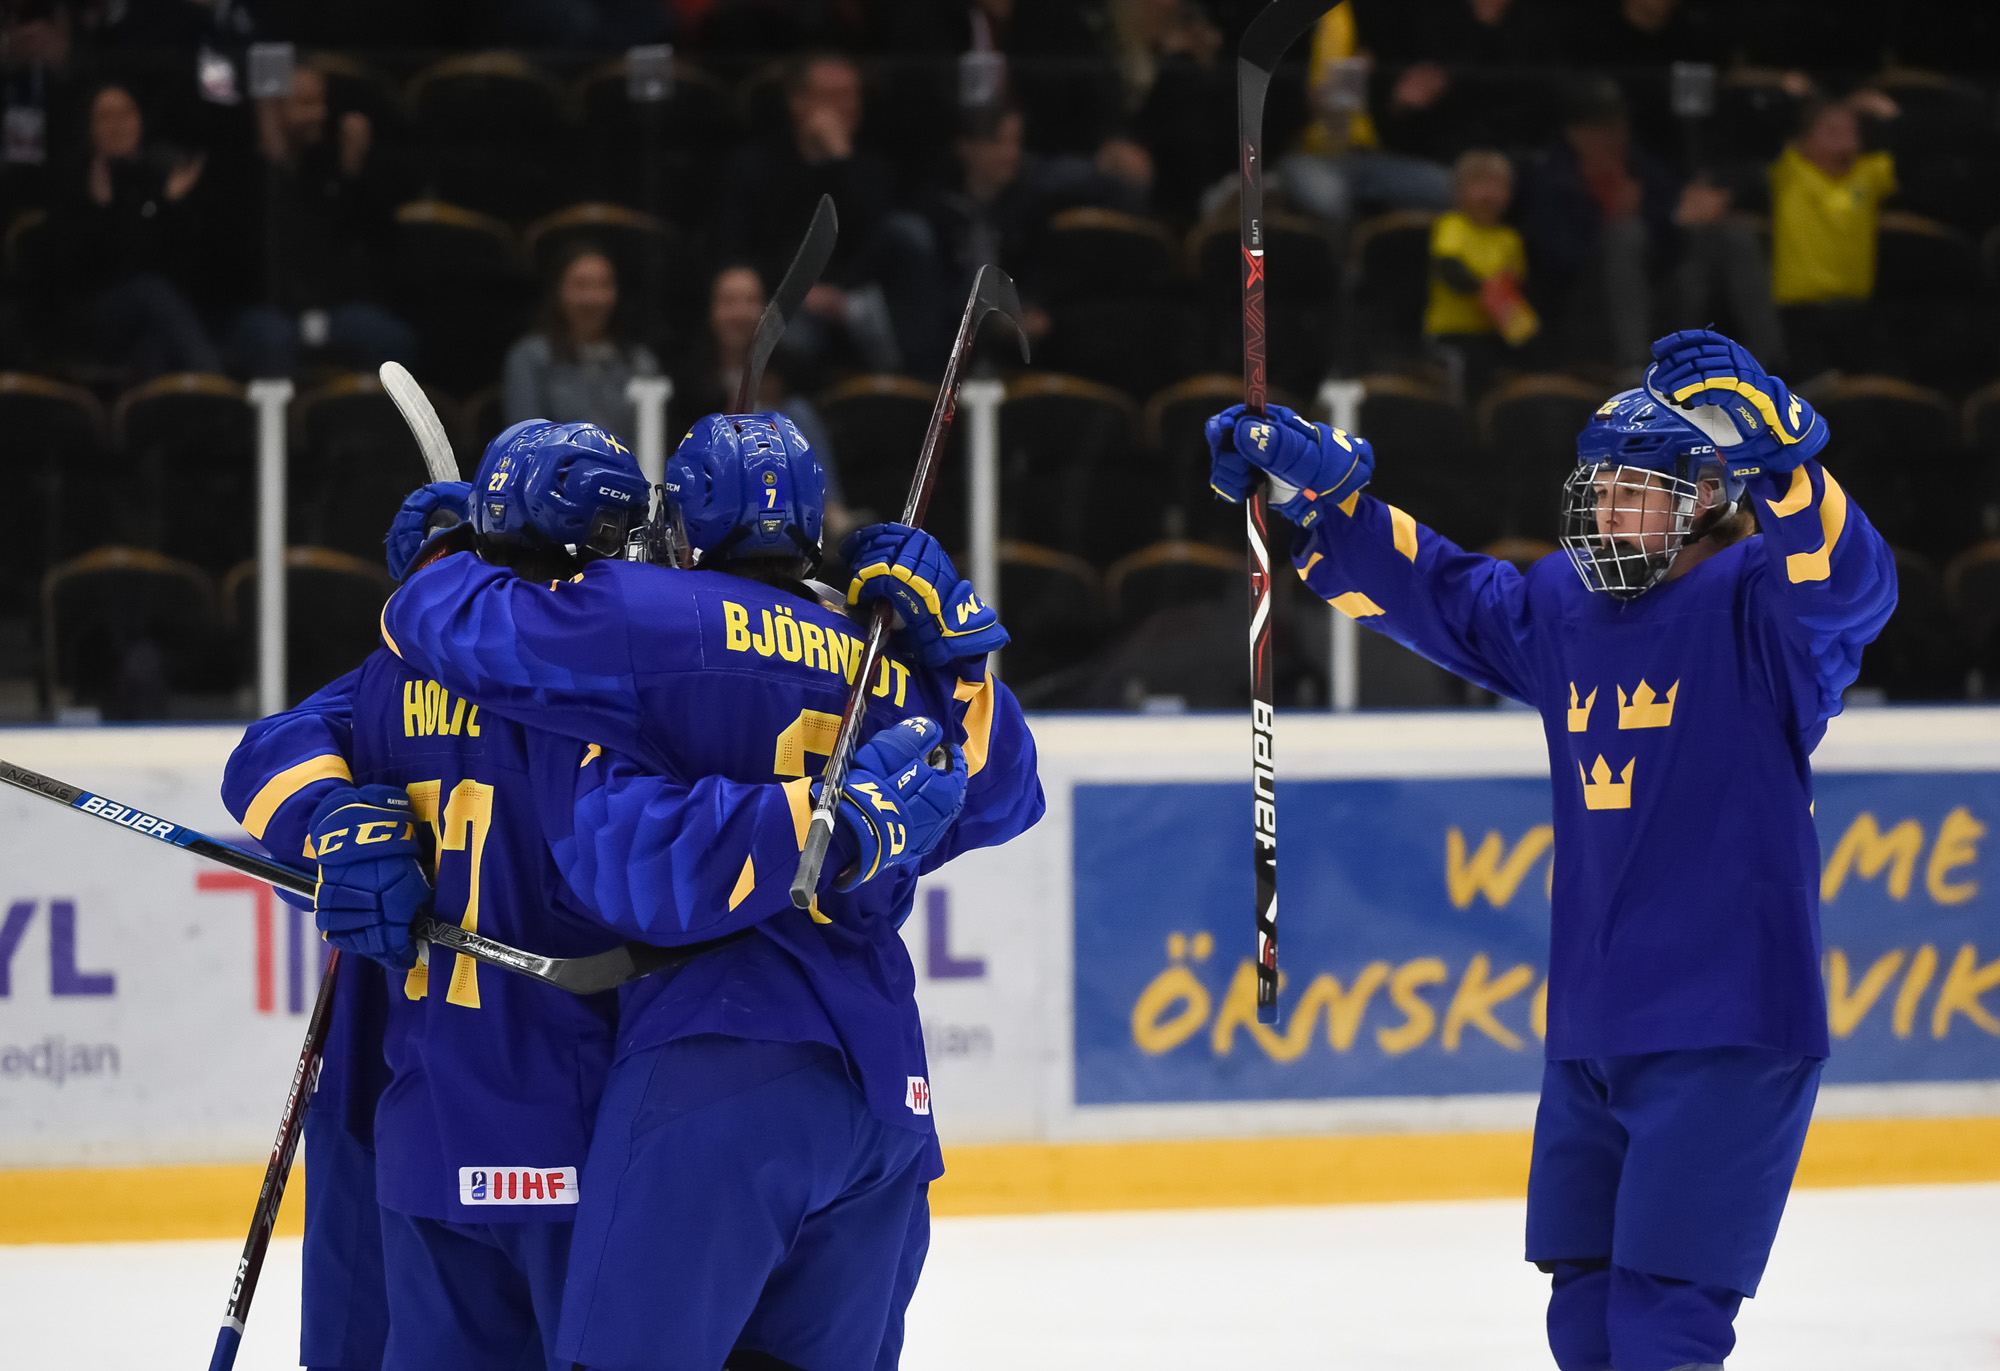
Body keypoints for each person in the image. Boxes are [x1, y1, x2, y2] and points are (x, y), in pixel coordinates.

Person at [1204, 326, 1895, 1370]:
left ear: (1708, 498)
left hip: (1729, 1020)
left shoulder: (1761, 605)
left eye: (1636, 491)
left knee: (1661, 1328)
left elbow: (1852, 590)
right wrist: (1313, 502)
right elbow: (1441, 594)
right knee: (1582, 1320)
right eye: (1597, 486)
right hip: (1590, 1022)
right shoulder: (1564, 607)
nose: (1606, 511)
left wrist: (1790, 465)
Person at [381, 412, 1046, 1369]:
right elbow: (1009, 791)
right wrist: (963, 653)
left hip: (717, 1066)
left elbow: (444, 626)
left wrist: (463, 547)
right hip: (887, 1100)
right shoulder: (886, 662)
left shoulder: (644, 614)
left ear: (682, 524)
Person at [223, 421, 657, 1369]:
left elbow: (264, 752)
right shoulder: (614, 681)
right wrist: (335, 822)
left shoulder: (402, 665)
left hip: (424, 1111)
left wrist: (333, 820)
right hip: (579, 1113)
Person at [717, 52, 944, 373]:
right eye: (833, 96)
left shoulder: (870, 167)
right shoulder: (756, 166)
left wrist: (841, 161)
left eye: (853, 96)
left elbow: (873, 238)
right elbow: (738, 249)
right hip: (786, 297)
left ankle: (927, 380)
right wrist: (800, 292)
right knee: (793, 338)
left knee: (908, 231)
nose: (847, 106)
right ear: (798, 102)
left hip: (856, 294)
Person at [226, 63, 414, 379]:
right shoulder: (242, 175)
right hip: (262, 314)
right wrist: (273, 165)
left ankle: (369, 413)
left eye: (321, 102)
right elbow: (240, 266)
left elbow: (377, 241)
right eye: (306, 104)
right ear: (272, 109)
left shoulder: (326, 170)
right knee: (273, 337)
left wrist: (353, 174)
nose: (320, 114)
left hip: (329, 313)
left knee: (392, 339)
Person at [45, 82, 218, 378]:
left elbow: (182, 262)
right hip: (93, 312)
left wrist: (169, 205)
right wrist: (102, 210)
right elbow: (88, 270)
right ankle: (214, 383)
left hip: (158, 311)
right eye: (106, 117)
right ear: (89, 128)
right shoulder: (73, 178)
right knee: (150, 292)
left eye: (126, 114)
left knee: (153, 347)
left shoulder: (157, 171)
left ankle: (167, 406)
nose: (118, 125)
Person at [1769, 93, 1899, 380]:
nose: (1845, 138)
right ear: (1805, 140)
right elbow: (1770, 131)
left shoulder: (1868, 173)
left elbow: (1909, 152)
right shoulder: (1790, 171)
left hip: (1855, 309)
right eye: (1832, 130)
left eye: (1851, 130)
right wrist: (1794, 94)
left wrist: (1888, 117)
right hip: (1801, 310)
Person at [503, 243, 663, 438]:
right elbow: (525, 438)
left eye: (603, 285)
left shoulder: (641, 361)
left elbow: (651, 440)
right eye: (581, 285)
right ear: (558, 291)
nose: (593, 298)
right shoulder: (530, 357)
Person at [1424, 149, 1537, 403]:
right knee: (1471, 369)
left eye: (1498, 187)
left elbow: (1516, 284)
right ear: (1458, 191)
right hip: (1454, 333)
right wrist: (1486, 291)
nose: (1489, 195)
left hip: (1496, 331)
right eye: (1480, 185)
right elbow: (1450, 269)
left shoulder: (1509, 238)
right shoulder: (1452, 225)